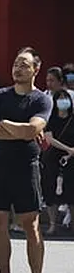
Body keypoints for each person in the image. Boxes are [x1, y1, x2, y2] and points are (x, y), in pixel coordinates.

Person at [0, 47, 52, 273]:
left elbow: (33, 130)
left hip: (26, 166)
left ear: (36, 69)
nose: (18, 68)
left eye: (24, 64)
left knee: (31, 225)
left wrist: (8, 125)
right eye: (15, 64)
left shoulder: (42, 99)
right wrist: (18, 130)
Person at [40, 89, 74, 235]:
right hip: (53, 158)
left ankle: (72, 223)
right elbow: (49, 138)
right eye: (59, 99)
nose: (63, 101)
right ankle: (52, 224)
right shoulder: (50, 119)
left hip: (72, 159)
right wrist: (68, 149)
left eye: (65, 98)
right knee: (50, 190)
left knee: (71, 192)